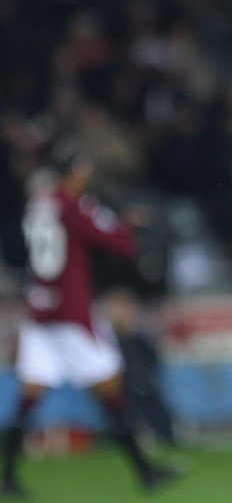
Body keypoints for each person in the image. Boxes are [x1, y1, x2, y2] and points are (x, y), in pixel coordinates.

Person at [1, 150, 176, 498]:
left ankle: (7, 477)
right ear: (77, 172)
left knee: (29, 397)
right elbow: (117, 242)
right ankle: (145, 471)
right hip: (71, 315)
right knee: (111, 389)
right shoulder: (76, 205)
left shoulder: (40, 204)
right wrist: (126, 226)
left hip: (40, 312)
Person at [106, 287, 177, 447]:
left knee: (150, 400)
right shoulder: (108, 339)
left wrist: (143, 375)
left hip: (141, 383)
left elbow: (152, 358)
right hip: (120, 385)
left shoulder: (139, 337)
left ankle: (165, 438)